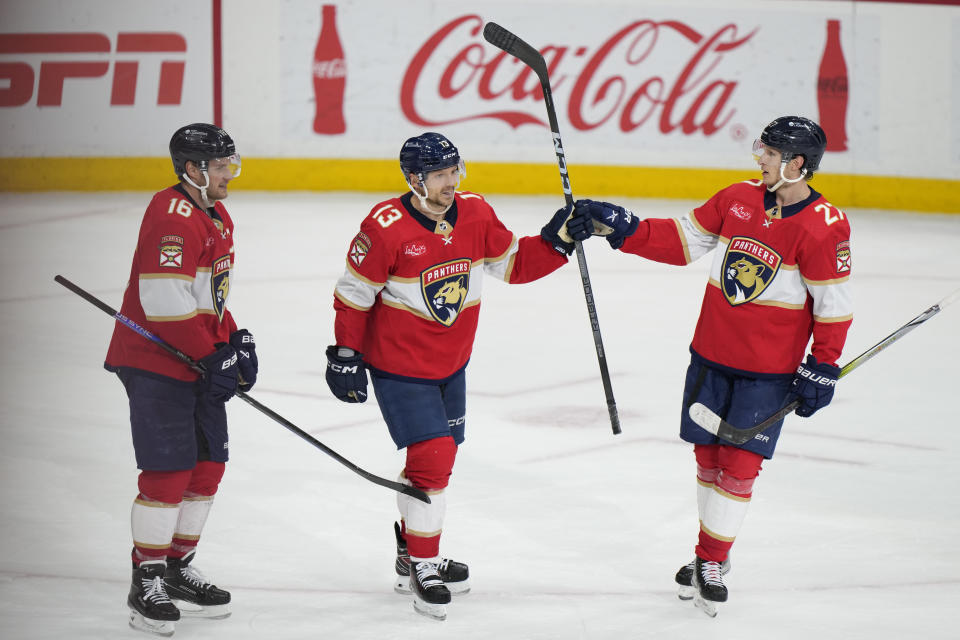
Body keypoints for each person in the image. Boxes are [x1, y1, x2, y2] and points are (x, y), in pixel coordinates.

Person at [570, 116, 852, 617]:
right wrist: (618, 224)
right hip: (710, 355)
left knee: (741, 467)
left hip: (767, 372)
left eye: (769, 153)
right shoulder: (736, 198)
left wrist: (822, 366)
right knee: (708, 458)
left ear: (798, 164)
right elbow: (681, 242)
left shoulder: (823, 225)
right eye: (760, 151)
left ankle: (711, 559)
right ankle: (708, 553)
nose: (759, 160)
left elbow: (832, 304)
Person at [324, 131, 589, 621]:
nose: (452, 182)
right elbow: (355, 294)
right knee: (433, 455)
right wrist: (344, 353)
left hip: (451, 364)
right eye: (441, 175)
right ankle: (424, 565)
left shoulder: (476, 212)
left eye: (454, 171)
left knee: (436, 465)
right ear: (414, 179)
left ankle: (412, 548)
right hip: (400, 366)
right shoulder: (384, 226)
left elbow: (513, 264)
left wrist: (558, 240)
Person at [104, 123, 258, 636]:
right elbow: (164, 306)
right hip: (155, 362)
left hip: (195, 358)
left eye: (229, 164)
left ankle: (175, 567)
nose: (228, 174)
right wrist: (215, 358)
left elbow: (206, 299)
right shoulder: (173, 218)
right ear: (191, 169)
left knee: (208, 467)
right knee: (168, 472)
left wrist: (233, 340)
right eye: (219, 166)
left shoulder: (215, 213)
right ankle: (145, 575)